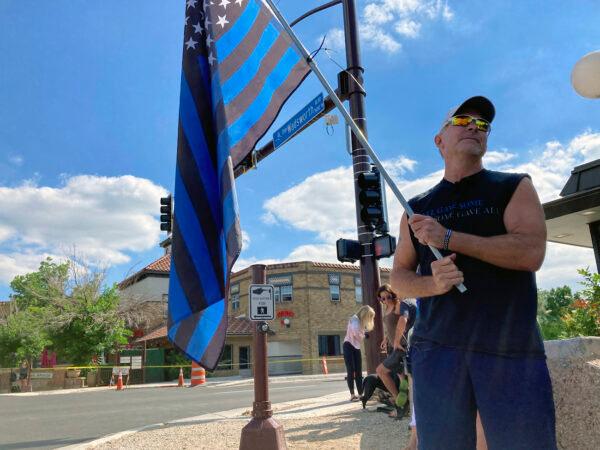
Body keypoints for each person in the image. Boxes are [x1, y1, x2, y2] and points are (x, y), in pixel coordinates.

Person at [391, 96, 557, 449]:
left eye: (482, 125)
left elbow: (531, 251)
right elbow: (398, 279)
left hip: (508, 348)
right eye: (463, 120)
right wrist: (433, 283)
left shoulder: (513, 186)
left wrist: (449, 237)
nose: (474, 127)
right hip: (437, 351)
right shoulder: (415, 210)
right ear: (439, 140)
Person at [374, 284, 415, 417]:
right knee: (401, 378)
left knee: (381, 371)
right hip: (393, 346)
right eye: (383, 299)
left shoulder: (399, 305)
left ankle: (401, 405)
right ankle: (402, 405)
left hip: (401, 346)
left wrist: (397, 341)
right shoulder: (387, 308)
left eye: (388, 296)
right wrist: (387, 339)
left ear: (393, 294)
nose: (386, 300)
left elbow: (403, 322)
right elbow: (392, 326)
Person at [343, 305, 375, 402]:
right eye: (369, 316)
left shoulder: (360, 322)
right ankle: (352, 395)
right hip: (348, 345)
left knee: (359, 371)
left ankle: (361, 394)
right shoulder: (354, 319)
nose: (369, 319)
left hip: (356, 347)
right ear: (364, 314)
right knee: (351, 370)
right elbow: (355, 333)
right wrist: (364, 335)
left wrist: (364, 333)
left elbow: (359, 333)